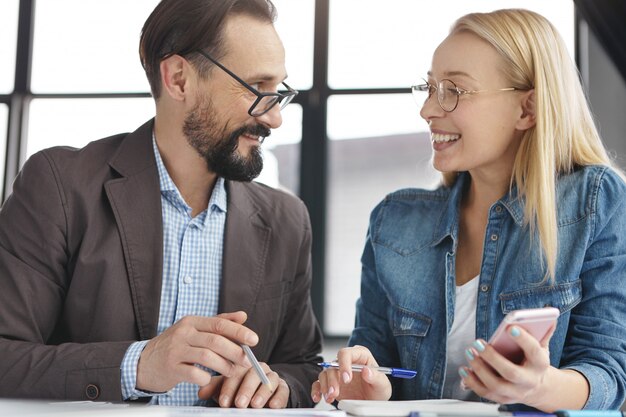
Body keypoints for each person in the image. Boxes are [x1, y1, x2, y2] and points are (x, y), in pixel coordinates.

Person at [0, 0, 322, 408]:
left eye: (278, 91)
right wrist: (137, 364)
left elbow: (304, 366)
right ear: (179, 79)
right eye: (257, 89)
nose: (275, 118)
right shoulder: (61, 187)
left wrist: (280, 387)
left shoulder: (287, 221)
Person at [312, 8, 626, 412]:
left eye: (453, 91)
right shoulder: (395, 220)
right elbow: (375, 361)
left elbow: (611, 373)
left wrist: (540, 387)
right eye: (429, 87)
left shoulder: (596, 201)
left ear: (527, 109)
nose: (427, 110)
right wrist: (364, 384)